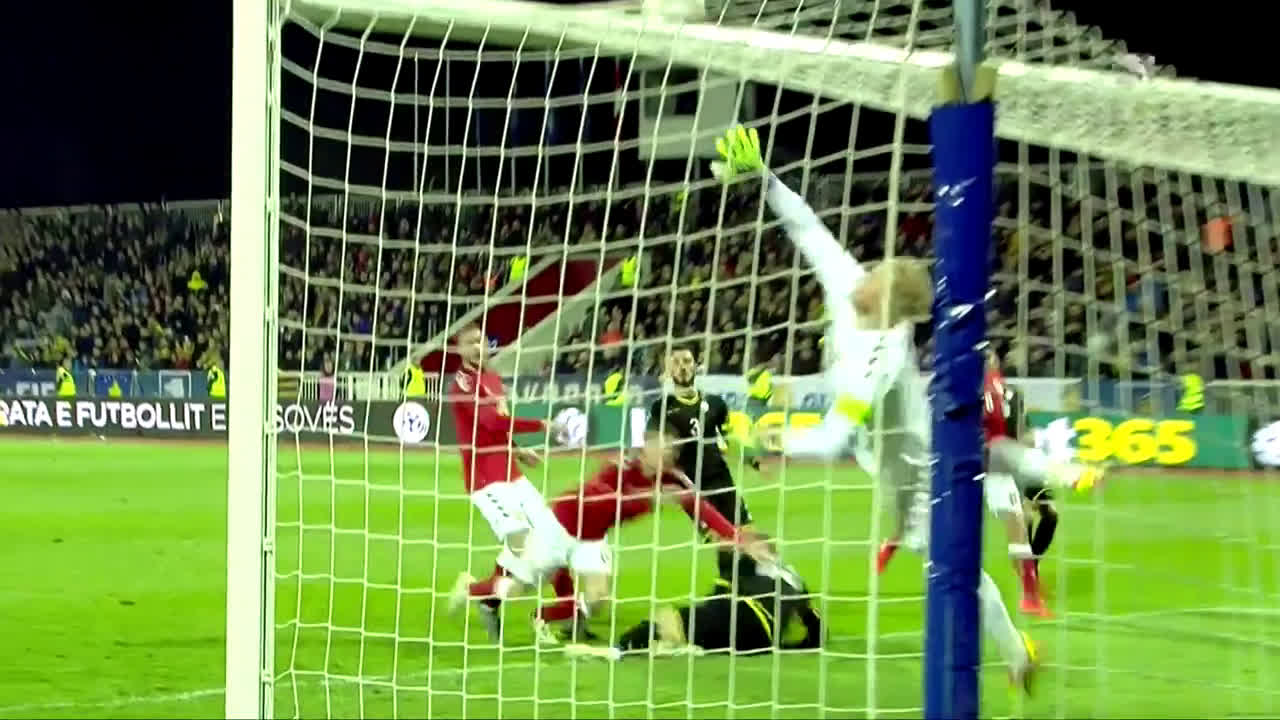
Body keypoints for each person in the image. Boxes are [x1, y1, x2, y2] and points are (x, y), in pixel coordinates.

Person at [711, 124, 1041, 691]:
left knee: (954, 568)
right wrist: (764, 177)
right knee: (949, 565)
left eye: (880, 276)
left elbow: (835, 435)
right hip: (885, 463)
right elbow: (808, 229)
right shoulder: (850, 287)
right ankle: (1015, 651)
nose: (866, 274)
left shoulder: (883, 357)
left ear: (891, 306)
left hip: (918, 474)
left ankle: (1016, 653)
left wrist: (777, 439)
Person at [526, 429, 768, 643]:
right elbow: (600, 501)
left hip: (593, 534)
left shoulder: (673, 478)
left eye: (672, 450)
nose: (669, 454)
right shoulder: (620, 468)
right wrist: (647, 497)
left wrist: (736, 537)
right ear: (645, 450)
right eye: (663, 448)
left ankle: (562, 620)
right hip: (563, 522)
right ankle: (543, 605)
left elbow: (700, 506)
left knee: (598, 597)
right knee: (524, 580)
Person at [446, 324, 575, 641]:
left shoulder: (492, 378)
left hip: (512, 474)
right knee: (527, 552)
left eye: (481, 341)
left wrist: (517, 450)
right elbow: (491, 421)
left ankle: (566, 613)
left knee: (555, 537)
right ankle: (476, 591)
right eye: (470, 342)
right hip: (486, 481)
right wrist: (542, 425)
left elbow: (496, 429)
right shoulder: (463, 383)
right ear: (460, 350)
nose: (478, 346)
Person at [569, 538, 821, 660]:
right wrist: (784, 647)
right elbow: (817, 628)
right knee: (699, 627)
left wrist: (688, 617)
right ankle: (681, 644)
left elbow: (717, 600)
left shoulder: (746, 563)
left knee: (668, 616)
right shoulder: (794, 578)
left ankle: (618, 649)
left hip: (745, 613)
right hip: (762, 640)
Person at [649, 345, 757, 538]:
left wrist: (753, 460)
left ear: (696, 365)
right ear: (669, 369)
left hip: (723, 480)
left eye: (687, 361)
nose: (682, 367)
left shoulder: (715, 403)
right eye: (676, 362)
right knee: (720, 541)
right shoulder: (662, 408)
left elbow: (729, 439)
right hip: (693, 488)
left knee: (749, 536)